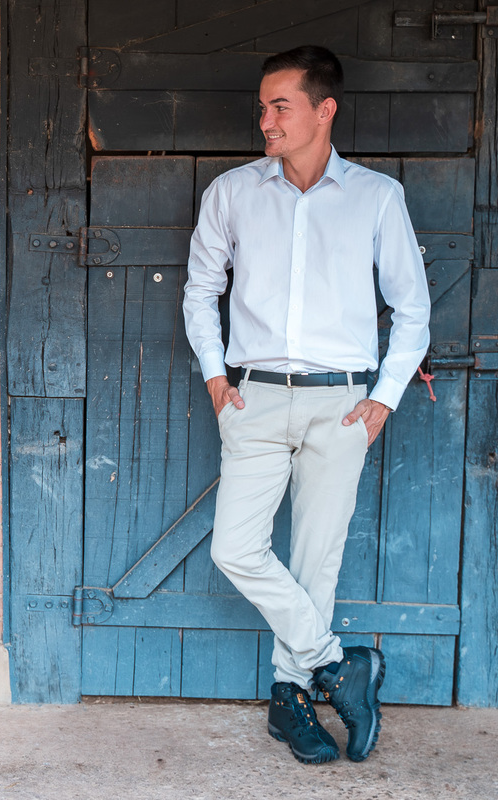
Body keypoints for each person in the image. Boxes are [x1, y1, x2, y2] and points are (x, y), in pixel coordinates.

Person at [182, 46, 430, 765]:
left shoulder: (376, 197)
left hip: (342, 405)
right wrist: (214, 376)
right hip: (253, 399)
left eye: (279, 106)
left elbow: (412, 309)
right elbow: (200, 290)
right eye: (262, 107)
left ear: (325, 110)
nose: (265, 120)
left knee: (317, 561)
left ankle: (290, 699)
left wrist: (383, 399)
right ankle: (337, 664)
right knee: (235, 548)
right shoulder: (232, 192)